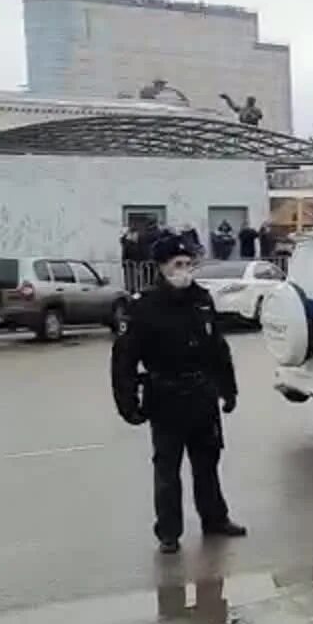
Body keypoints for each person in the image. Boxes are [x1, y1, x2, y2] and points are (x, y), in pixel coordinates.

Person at [110, 234, 246, 554]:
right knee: (168, 471)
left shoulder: (201, 299)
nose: (184, 270)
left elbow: (218, 349)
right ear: (162, 267)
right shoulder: (144, 306)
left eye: (188, 264)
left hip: (202, 396)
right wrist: (127, 402)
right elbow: (124, 359)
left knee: (207, 464)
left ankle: (215, 519)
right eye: (177, 264)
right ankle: (169, 532)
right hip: (165, 398)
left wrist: (228, 389)